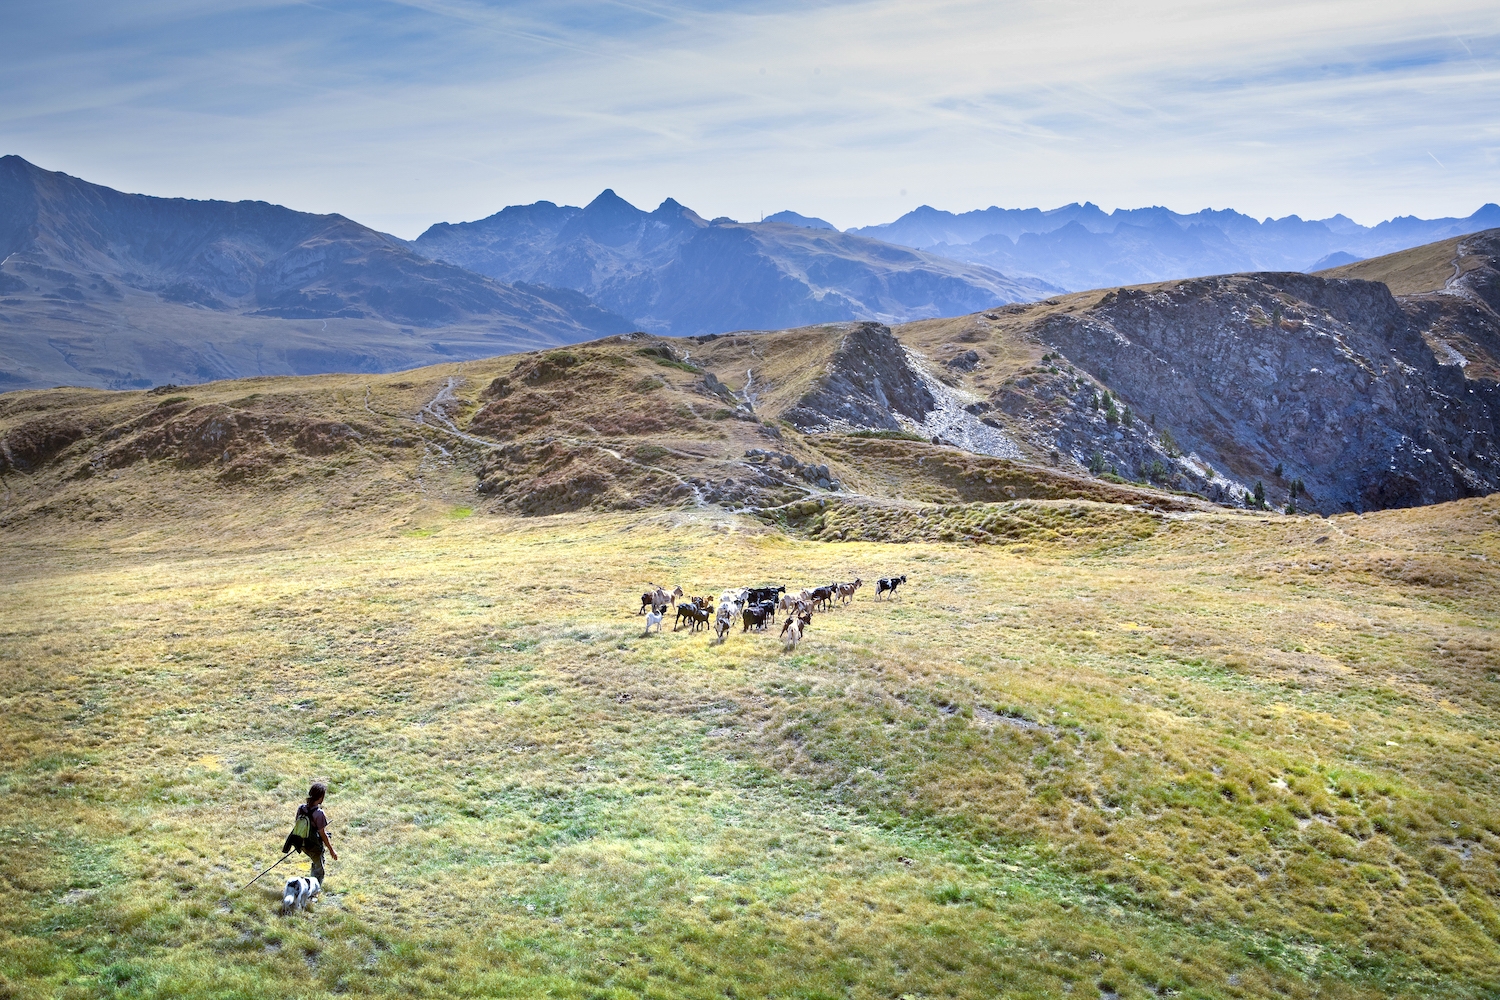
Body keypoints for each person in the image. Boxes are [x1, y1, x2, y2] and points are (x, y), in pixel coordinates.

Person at [295, 781, 339, 885]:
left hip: (302, 843)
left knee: (316, 863)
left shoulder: (301, 808)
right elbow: (322, 834)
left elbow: (297, 824)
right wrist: (332, 851)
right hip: (313, 845)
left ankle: (311, 885)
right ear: (320, 798)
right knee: (319, 871)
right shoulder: (319, 814)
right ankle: (313, 892)